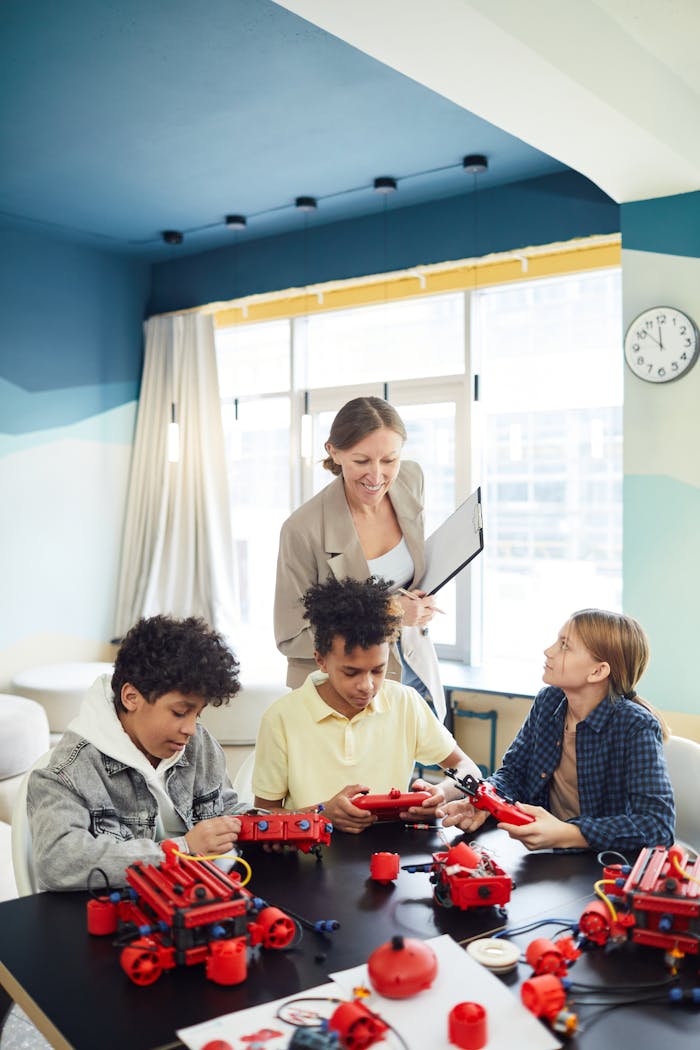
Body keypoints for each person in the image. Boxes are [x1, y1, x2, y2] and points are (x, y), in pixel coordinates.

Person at [28, 615, 247, 891]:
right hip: (129, 913)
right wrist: (182, 848)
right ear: (131, 697)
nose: (191, 728)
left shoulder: (198, 742)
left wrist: (268, 827)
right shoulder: (66, 772)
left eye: (197, 714)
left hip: (209, 893)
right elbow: (58, 861)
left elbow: (226, 809)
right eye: (180, 712)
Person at [254, 575, 482, 832]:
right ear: (321, 660)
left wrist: (442, 792)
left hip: (391, 851)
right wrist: (322, 814)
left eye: (378, 670)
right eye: (351, 673)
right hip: (311, 857)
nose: (367, 685)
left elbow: (467, 769)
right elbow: (262, 816)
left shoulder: (405, 702)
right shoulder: (282, 718)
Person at [441, 609, 675, 853]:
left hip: (602, 864)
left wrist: (569, 833)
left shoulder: (635, 725)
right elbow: (513, 774)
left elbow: (658, 826)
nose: (548, 651)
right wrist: (486, 802)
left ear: (598, 671)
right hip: (545, 854)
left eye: (564, 645)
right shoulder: (549, 701)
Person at [274, 395, 446, 720]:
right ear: (334, 452)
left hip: (409, 671)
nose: (377, 476)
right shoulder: (302, 529)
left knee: (404, 770)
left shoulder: (410, 479)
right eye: (361, 461)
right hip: (337, 693)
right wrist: (392, 615)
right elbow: (291, 638)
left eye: (389, 460)